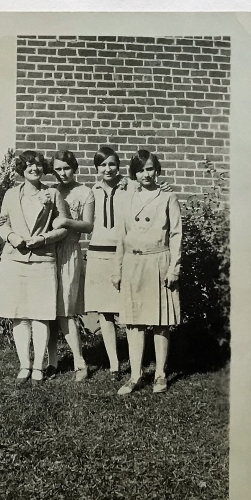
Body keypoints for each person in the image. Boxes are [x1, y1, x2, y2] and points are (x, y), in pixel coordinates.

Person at [0, 151, 70, 382]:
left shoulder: (52, 194)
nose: (33, 169)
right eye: (28, 166)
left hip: (43, 260)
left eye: (37, 165)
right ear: (21, 169)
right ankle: (24, 365)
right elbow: (2, 222)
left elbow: (64, 228)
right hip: (14, 259)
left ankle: (38, 367)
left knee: (40, 315)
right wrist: (11, 237)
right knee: (19, 315)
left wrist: (44, 239)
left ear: (43, 169)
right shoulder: (10, 194)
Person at [112, 150, 182, 396]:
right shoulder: (127, 198)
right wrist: (117, 268)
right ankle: (135, 376)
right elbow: (121, 236)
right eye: (140, 170)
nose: (146, 174)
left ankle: (161, 375)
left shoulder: (168, 198)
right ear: (134, 173)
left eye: (150, 169)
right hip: (133, 263)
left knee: (160, 322)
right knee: (133, 322)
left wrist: (175, 267)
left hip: (159, 261)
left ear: (157, 170)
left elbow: (175, 235)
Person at [82, 146, 128, 377]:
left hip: (124, 254)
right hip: (98, 254)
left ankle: (136, 358)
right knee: (104, 312)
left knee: (127, 309)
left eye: (111, 164)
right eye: (102, 165)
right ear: (97, 168)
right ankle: (114, 363)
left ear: (118, 166)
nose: (107, 169)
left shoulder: (130, 187)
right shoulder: (93, 190)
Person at [48, 150, 93, 381]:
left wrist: (66, 221)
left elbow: (88, 225)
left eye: (66, 168)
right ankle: (52, 362)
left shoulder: (85, 192)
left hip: (69, 252)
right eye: (57, 169)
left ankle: (80, 362)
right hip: (48, 252)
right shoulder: (51, 191)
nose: (62, 173)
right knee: (47, 309)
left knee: (65, 309)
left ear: (74, 167)